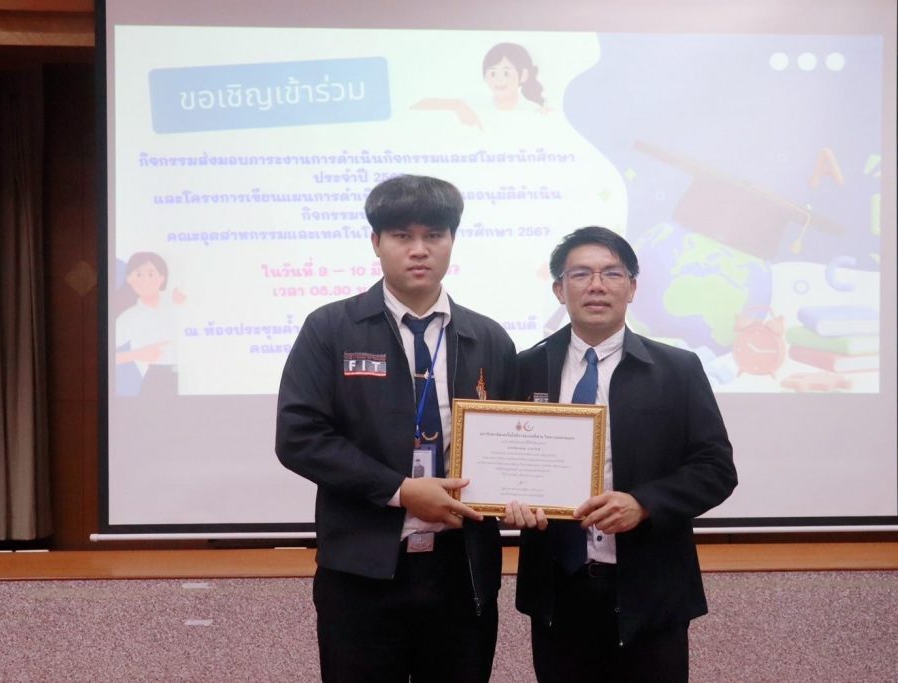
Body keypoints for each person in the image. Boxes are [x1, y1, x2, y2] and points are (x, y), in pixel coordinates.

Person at [275, 174, 517, 683]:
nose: (419, 249)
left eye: (434, 235)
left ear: (452, 241)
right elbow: (299, 437)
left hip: (461, 572)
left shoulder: (488, 338)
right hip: (361, 571)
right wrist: (401, 491)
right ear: (376, 243)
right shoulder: (331, 328)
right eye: (402, 236)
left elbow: (516, 441)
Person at [506, 226, 737, 682]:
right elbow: (506, 459)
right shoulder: (525, 367)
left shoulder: (676, 369)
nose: (596, 285)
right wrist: (508, 500)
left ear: (631, 287)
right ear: (559, 290)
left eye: (611, 273)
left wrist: (643, 503)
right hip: (558, 590)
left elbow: (715, 469)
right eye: (580, 274)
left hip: (650, 588)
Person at [412, 42, 549, 130]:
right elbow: (418, 106)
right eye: (493, 73)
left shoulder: (535, 112)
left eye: (506, 73)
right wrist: (457, 105)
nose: (498, 79)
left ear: (523, 75)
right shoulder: (473, 104)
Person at [115, 251, 185, 396]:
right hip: (157, 380)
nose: (145, 280)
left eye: (151, 274)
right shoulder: (128, 317)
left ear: (162, 278)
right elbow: (108, 357)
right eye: (138, 274)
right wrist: (138, 354)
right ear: (129, 279)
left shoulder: (178, 301)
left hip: (194, 373)